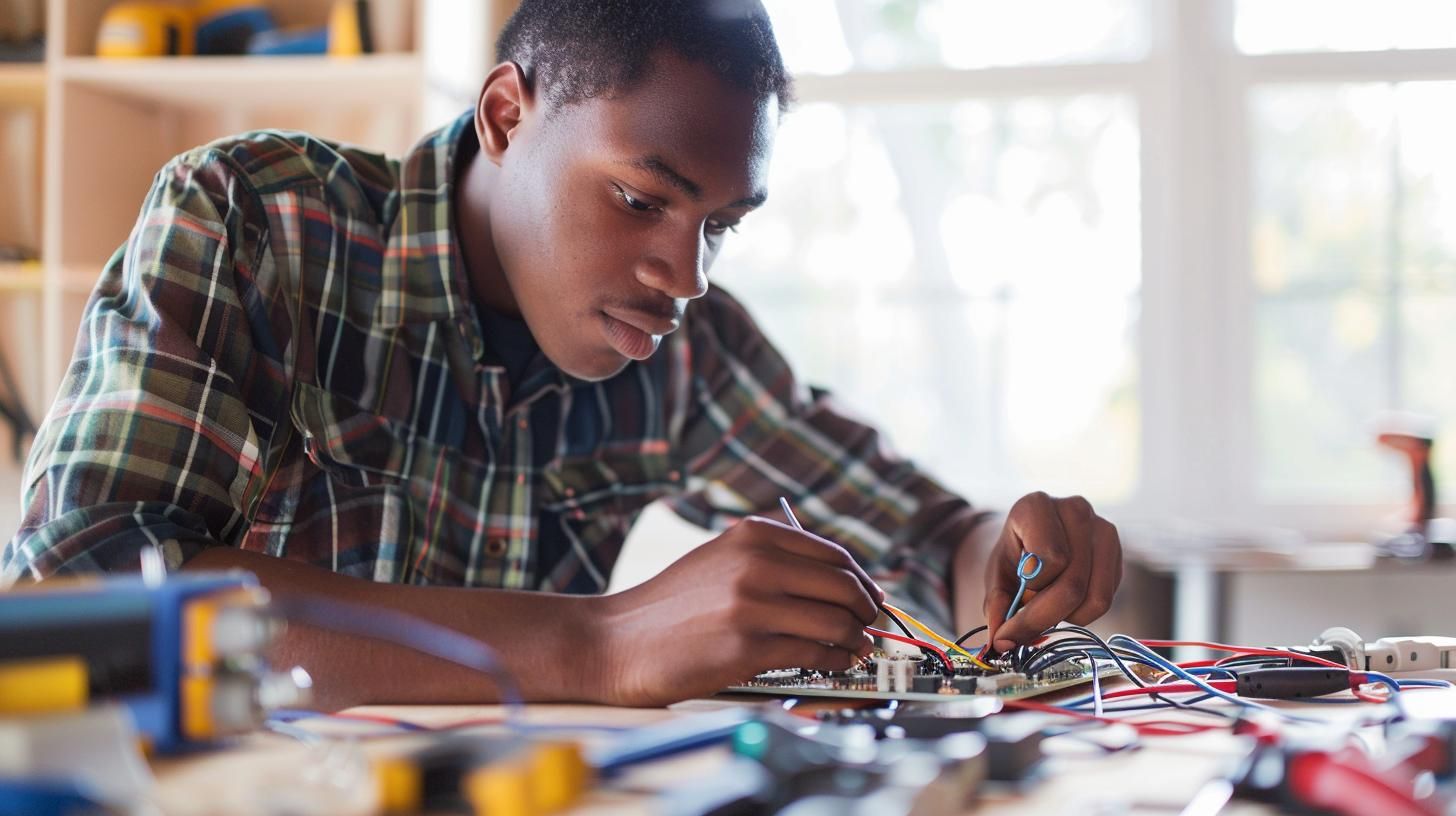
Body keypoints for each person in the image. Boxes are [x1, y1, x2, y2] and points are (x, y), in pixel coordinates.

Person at [1, 0, 1121, 709]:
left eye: (720, 226)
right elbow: (75, 591)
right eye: (642, 198)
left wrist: (1011, 556)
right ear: (503, 113)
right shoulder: (258, 223)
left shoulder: (688, 355)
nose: (686, 275)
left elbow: (926, 544)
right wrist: (599, 644)